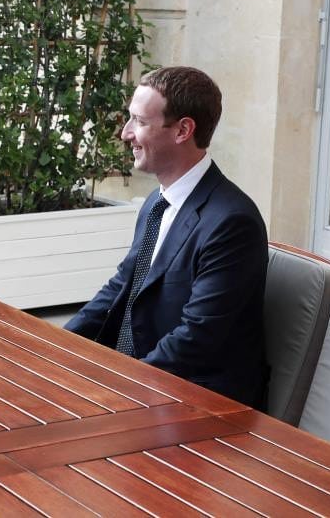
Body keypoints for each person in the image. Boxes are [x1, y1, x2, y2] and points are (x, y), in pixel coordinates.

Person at [64, 66, 268, 407]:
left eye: (140, 121)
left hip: (198, 400)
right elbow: (122, 286)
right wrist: (56, 344)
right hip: (146, 380)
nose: (126, 133)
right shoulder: (157, 202)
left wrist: (119, 388)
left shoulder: (232, 222)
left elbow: (197, 336)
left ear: (183, 130)